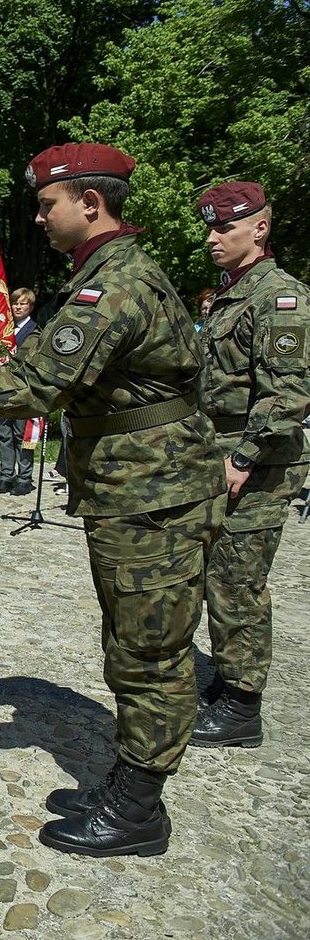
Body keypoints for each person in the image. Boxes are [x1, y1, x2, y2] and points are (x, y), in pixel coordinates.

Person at [0, 143, 224, 856]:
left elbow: (34, 384)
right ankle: (131, 779)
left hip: (154, 493)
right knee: (131, 639)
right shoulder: (105, 274)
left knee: (149, 650)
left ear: (90, 203)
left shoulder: (116, 286)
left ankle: (139, 808)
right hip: (139, 489)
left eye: (48, 204)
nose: (39, 217)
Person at [191, 181, 310, 748]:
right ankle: (226, 679)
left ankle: (242, 706)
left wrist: (242, 456)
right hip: (221, 451)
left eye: (225, 228)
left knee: (237, 581)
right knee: (218, 575)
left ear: (259, 229)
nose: (212, 238)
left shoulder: (279, 297)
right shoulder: (233, 293)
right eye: (210, 228)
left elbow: (288, 393)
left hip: (258, 463)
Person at [0, 288, 40, 494]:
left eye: (23, 303)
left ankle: (24, 477)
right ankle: (6, 474)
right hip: (2, 388)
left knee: (22, 435)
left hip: (22, 388)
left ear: (30, 306)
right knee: (5, 433)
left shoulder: (34, 330)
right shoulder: (3, 328)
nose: (18, 307)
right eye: (15, 303)